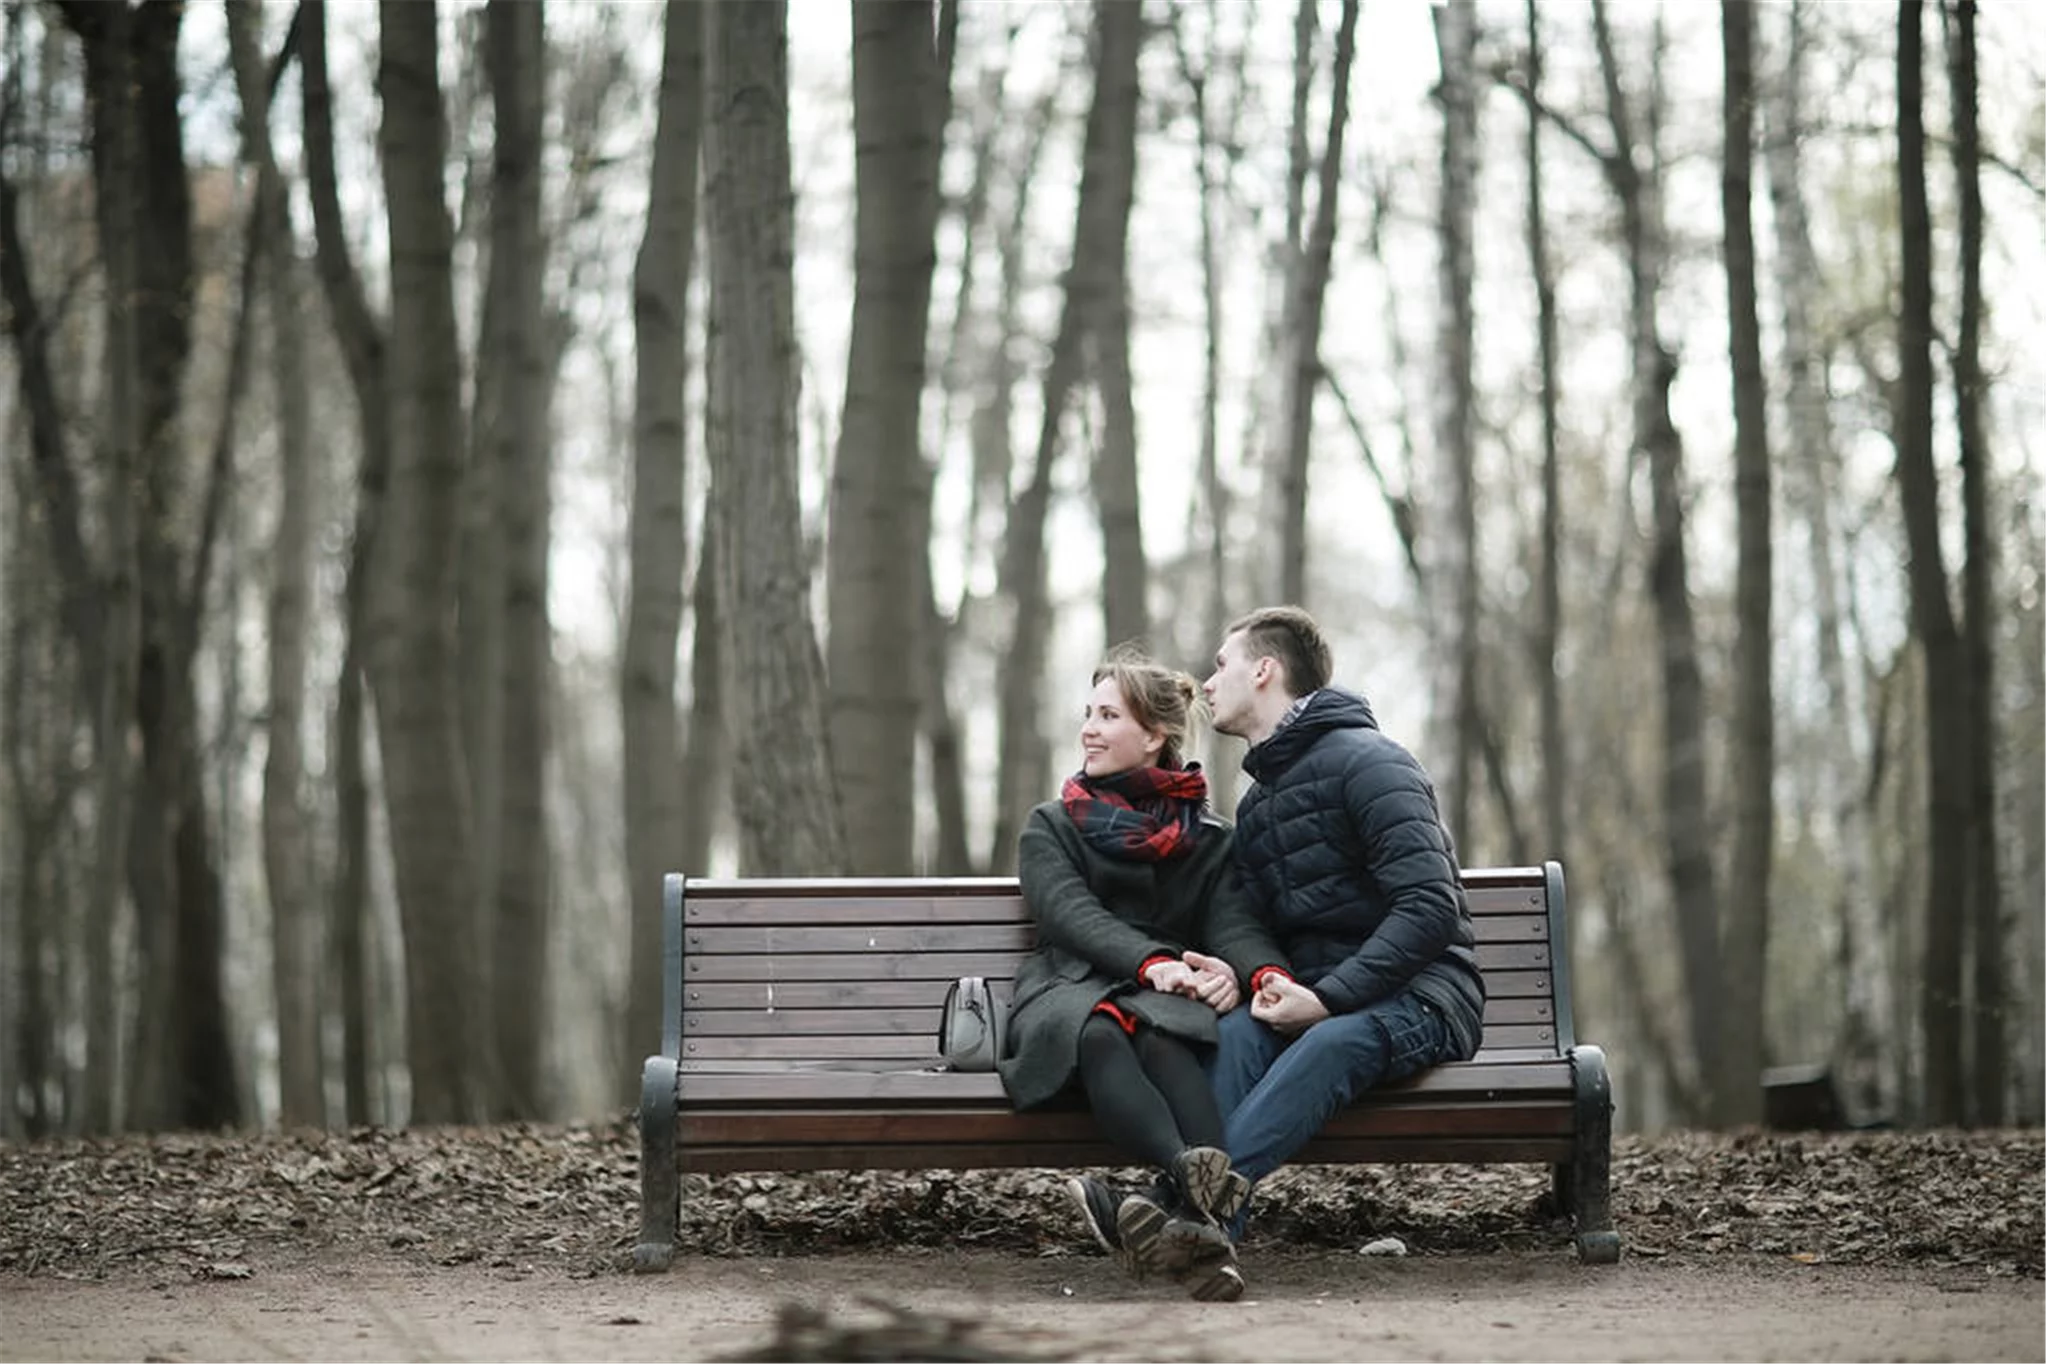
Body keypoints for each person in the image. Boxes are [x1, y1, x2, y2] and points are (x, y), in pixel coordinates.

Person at [998, 651, 1291, 1302]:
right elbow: (1071, 917)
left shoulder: (1209, 838)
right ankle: (1191, 1178)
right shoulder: (1051, 824)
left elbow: (1234, 924)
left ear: (1154, 736)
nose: (1089, 730)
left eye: (1108, 716)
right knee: (1103, 1030)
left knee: (1159, 1037)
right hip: (1068, 989)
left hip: (1162, 1001)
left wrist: (1255, 976)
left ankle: (1194, 1226)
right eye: (1089, 715)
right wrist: (1153, 964)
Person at [1199, 605, 1486, 1240]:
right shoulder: (1257, 805)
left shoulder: (1372, 762)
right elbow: (1252, 920)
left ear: (1266, 670)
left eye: (1222, 666)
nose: (1208, 683)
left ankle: (1185, 1207)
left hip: (1424, 996)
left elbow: (1430, 907)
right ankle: (1207, 1237)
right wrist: (1262, 975)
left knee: (1332, 1041)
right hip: (1324, 998)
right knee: (1238, 1035)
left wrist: (1327, 1000)